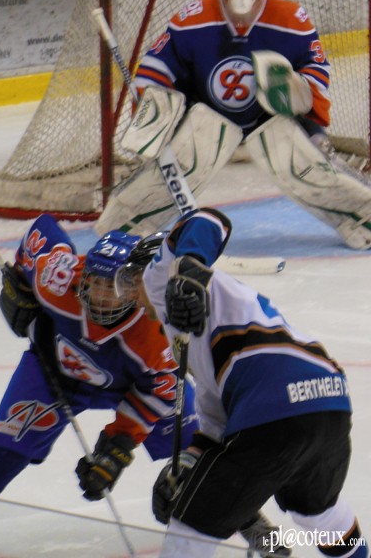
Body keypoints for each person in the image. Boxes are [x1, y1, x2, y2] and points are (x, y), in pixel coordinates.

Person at [115, 206, 369, 557]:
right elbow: (216, 425)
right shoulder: (194, 336)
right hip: (329, 398)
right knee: (318, 515)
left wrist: (187, 272)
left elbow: (209, 220)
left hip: (274, 402)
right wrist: (185, 467)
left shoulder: (161, 279)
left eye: (131, 281)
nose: (131, 295)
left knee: (189, 529)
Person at [126, 0, 371, 250]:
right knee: (181, 165)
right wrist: (153, 111)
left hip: (271, 115)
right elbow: (157, 65)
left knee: (306, 164)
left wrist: (300, 94)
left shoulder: (291, 18)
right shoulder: (192, 18)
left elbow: (316, 68)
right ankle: (127, 227)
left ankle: (362, 216)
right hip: (207, 114)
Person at [0, 213, 199, 526]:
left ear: (137, 286)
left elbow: (158, 393)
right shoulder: (59, 278)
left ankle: (244, 520)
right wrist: (20, 284)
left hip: (128, 386)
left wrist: (116, 448)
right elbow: (42, 228)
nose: (102, 296)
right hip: (53, 372)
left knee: (198, 451)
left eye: (114, 286)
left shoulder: (155, 331)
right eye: (96, 283)